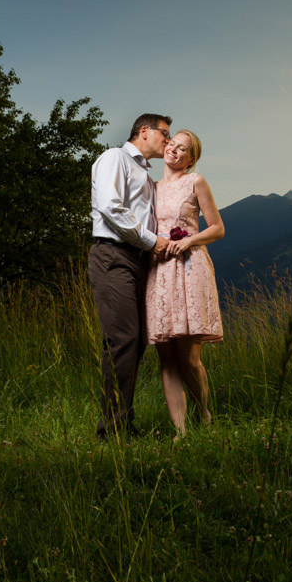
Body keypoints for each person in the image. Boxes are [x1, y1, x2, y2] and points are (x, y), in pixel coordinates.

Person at [88, 114, 172, 439]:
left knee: (135, 344)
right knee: (122, 340)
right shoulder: (115, 158)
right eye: (164, 134)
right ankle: (112, 430)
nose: (167, 141)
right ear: (144, 131)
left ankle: (121, 422)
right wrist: (154, 242)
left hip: (138, 261)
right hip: (113, 255)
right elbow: (110, 206)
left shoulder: (148, 177)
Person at [143, 130, 224, 439]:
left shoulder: (196, 182)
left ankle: (203, 413)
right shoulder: (151, 188)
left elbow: (217, 229)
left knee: (189, 358)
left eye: (182, 149)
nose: (174, 151)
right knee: (166, 358)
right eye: (172, 145)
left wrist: (189, 239)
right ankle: (181, 431)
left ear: (192, 159)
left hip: (190, 270)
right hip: (159, 272)